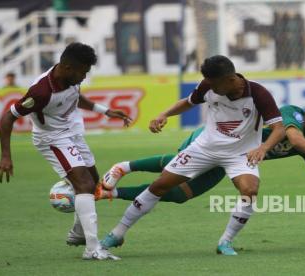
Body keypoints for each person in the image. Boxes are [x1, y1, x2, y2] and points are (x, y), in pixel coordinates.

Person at [96, 94, 305, 238]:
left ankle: (112, 193)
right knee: (175, 172)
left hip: (232, 161)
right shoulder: (293, 112)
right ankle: (124, 167)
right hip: (215, 140)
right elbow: (294, 139)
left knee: (179, 195)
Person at [99, 55, 285, 256]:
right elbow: (188, 102)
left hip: (239, 154)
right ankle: (118, 233)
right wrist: (164, 114)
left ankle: (225, 242)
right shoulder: (208, 85)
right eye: (208, 83)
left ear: (231, 80)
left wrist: (263, 148)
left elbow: (279, 129)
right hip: (204, 149)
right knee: (160, 185)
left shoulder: (258, 94)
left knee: (249, 191)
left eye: (215, 84)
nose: (211, 88)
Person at [0, 42, 132, 261]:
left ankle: (77, 234)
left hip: (70, 132)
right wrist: (6, 156)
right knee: (83, 185)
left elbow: (75, 97)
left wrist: (105, 111)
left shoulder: (69, 78)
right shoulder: (41, 92)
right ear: (67, 67)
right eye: (82, 72)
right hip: (51, 138)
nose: (84, 77)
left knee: (93, 185)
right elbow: (9, 117)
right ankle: (92, 248)